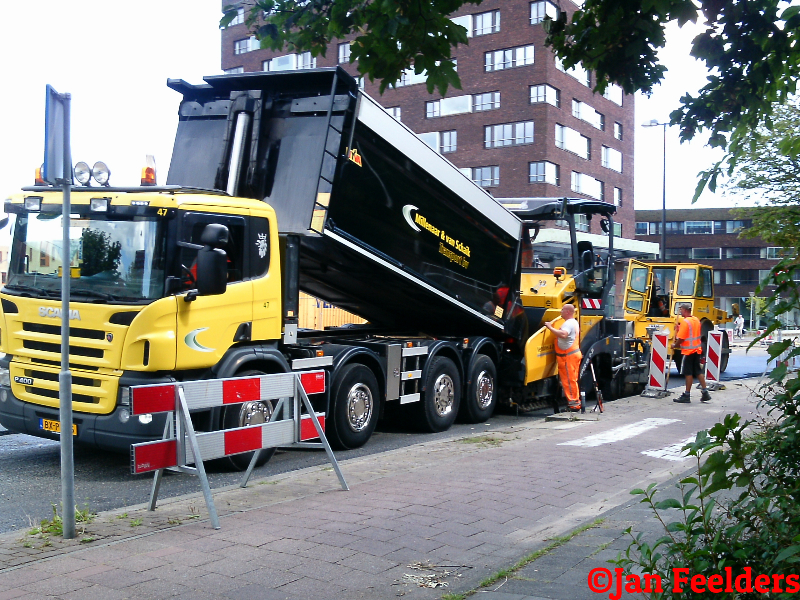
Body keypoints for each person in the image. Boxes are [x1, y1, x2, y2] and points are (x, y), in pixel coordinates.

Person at [672, 303, 711, 403]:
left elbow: (681, 338)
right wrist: (679, 329)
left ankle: (687, 395)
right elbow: (691, 332)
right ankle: (705, 392)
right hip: (696, 350)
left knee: (688, 373)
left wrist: (675, 345)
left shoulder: (685, 322)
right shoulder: (696, 320)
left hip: (688, 351)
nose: (680, 312)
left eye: (680, 310)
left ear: (685, 310)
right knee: (698, 371)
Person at [545, 304, 582, 411]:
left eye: (562, 310)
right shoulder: (573, 322)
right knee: (572, 380)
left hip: (568, 357)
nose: (560, 311)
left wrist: (550, 327)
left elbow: (563, 334)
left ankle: (574, 405)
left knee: (569, 381)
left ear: (567, 312)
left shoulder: (568, 324)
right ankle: (575, 402)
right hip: (571, 355)